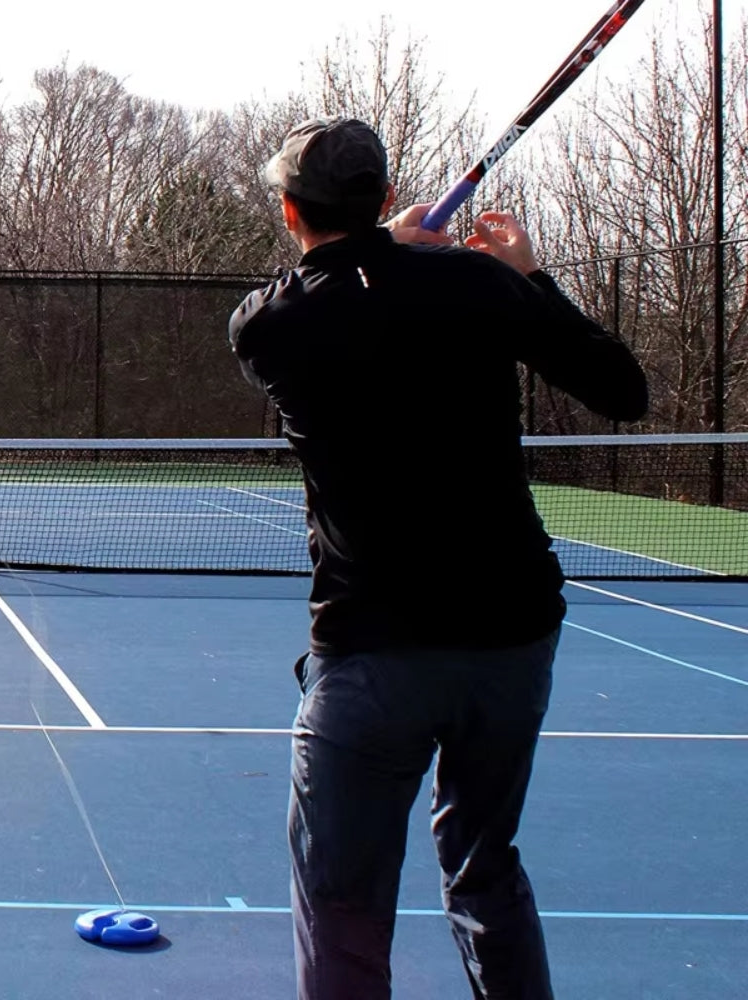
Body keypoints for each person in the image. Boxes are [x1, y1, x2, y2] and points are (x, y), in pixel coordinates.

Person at [228, 117, 648, 1000]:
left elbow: (338, 290)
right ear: (381, 197)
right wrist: (526, 273)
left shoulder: (269, 326)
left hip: (374, 651)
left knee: (343, 901)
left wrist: (397, 254)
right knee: (485, 869)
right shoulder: (478, 286)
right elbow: (623, 389)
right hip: (511, 640)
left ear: (288, 211)